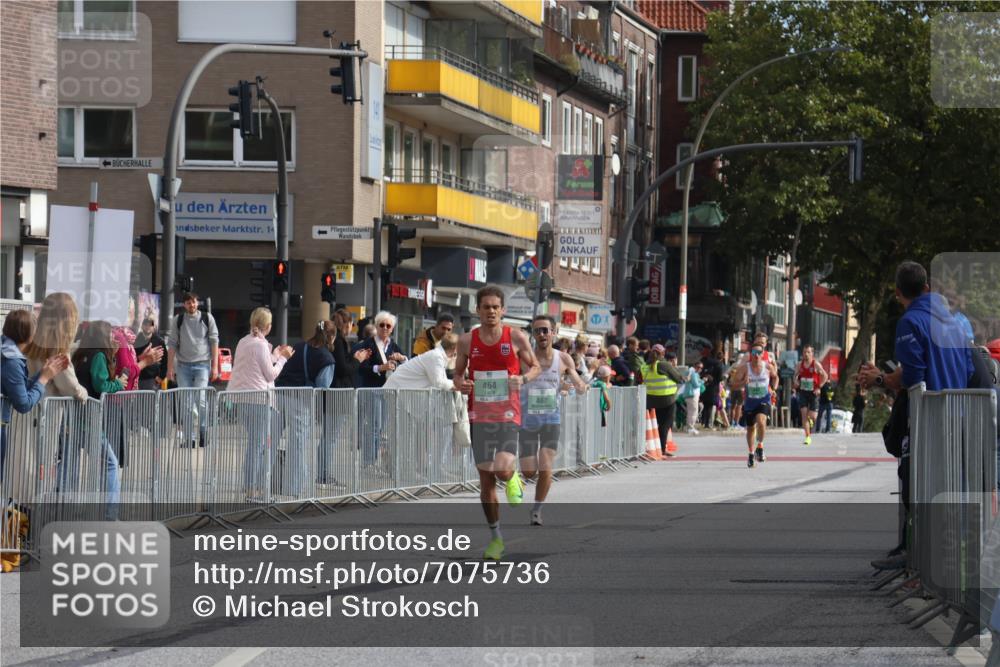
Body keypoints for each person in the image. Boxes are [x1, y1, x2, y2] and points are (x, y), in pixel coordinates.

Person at [858, 260, 975, 570]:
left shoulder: (911, 321)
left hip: (928, 419)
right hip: (961, 415)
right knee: (946, 488)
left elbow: (914, 377)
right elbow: (965, 367)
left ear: (898, 293)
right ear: (927, 287)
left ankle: (923, 559)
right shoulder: (954, 321)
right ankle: (940, 559)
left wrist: (880, 380)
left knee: (915, 484)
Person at [453, 285, 540, 561]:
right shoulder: (467, 341)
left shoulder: (515, 336)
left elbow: (536, 366)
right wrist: (461, 384)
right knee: (485, 479)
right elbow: (457, 374)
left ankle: (512, 476)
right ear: (477, 310)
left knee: (501, 469)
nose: (490, 311)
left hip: (507, 413)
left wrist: (523, 379)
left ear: (502, 310)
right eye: (485, 307)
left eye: (495, 307)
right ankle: (496, 539)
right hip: (479, 413)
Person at [518, 315, 587, 527]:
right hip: (527, 420)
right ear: (533, 334)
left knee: (546, 467)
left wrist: (578, 385)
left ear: (553, 332)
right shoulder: (525, 357)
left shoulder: (563, 359)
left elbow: (577, 382)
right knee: (529, 471)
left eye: (545, 330)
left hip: (551, 419)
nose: (541, 334)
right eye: (537, 331)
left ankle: (537, 510)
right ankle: (517, 479)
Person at [71, 320, 129, 518]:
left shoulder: (80, 354)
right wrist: (119, 383)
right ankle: (110, 516)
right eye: (110, 333)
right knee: (111, 463)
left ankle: (66, 513)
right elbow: (101, 385)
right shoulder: (98, 355)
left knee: (71, 465)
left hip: (76, 418)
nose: (113, 337)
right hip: (90, 420)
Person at [1, 310, 70, 475]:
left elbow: (17, 388)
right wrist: (44, 378)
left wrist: (44, 373)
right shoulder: (11, 360)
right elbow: (23, 404)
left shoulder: (6, 351)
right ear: (27, 333)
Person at [166, 292, 219, 446]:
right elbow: (172, 344)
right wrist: (170, 368)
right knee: (186, 402)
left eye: (194, 302)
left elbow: (214, 341)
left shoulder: (207, 318)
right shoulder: (179, 320)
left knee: (201, 399)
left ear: (198, 302)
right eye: (188, 303)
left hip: (202, 364)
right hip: (183, 365)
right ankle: (189, 438)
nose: (192, 305)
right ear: (184, 305)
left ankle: (202, 433)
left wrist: (215, 367)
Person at [728, 342, 778, 468]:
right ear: (751, 354)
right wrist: (743, 383)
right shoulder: (744, 368)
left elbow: (776, 377)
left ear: (763, 354)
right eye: (754, 353)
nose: (756, 355)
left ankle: (760, 446)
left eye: (759, 353)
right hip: (750, 402)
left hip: (764, 399)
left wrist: (773, 388)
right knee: (750, 429)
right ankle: (751, 453)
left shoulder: (767, 367)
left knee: (761, 421)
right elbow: (733, 385)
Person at [643, 346, 684, 456]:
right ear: (663, 353)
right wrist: (674, 367)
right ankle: (661, 449)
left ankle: (651, 448)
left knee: (651, 425)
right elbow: (680, 379)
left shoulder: (645, 366)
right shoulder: (664, 365)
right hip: (667, 400)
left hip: (650, 400)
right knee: (664, 425)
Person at [386, 332, 459, 390]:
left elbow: (441, 381)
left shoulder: (438, 355)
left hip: (398, 391)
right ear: (454, 348)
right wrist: (458, 385)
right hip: (394, 391)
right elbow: (438, 382)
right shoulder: (436, 356)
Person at [357, 311, 407, 388]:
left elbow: (407, 365)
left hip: (389, 390)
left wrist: (402, 358)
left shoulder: (393, 345)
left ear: (392, 329)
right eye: (382, 325)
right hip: (371, 390)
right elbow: (362, 368)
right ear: (376, 326)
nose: (385, 328)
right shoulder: (368, 344)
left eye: (388, 326)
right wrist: (381, 368)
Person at [794, 344, 829, 445]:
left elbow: (825, 376)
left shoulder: (816, 364)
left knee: (812, 417)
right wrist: (796, 381)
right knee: (804, 415)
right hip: (803, 392)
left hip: (814, 393)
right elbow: (795, 376)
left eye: (808, 352)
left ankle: (811, 421)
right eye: (804, 352)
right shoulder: (799, 365)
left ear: (812, 353)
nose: (806, 354)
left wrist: (819, 386)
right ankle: (808, 437)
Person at [331, 309, 371, 389]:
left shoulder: (334, 338)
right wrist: (358, 360)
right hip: (339, 392)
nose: (352, 328)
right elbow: (343, 369)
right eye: (353, 324)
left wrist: (354, 358)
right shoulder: (339, 341)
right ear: (348, 324)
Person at [133, 317, 167, 390]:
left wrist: (161, 377)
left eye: (150, 325)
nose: (148, 327)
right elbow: (132, 358)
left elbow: (165, 361)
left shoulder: (159, 341)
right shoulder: (135, 340)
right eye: (146, 324)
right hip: (138, 378)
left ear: (153, 327)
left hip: (153, 380)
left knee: (153, 401)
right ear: (142, 326)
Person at [700, 350, 724, 429]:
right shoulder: (719, 365)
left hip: (705, 386)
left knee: (705, 405)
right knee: (710, 406)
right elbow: (720, 378)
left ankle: (703, 422)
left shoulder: (706, 362)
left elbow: (701, 373)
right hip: (714, 387)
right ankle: (708, 424)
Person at [681, 360, 704, 434]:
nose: (700, 369)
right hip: (692, 395)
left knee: (690, 411)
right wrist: (703, 381)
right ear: (695, 366)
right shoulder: (693, 373)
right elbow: (696, 385)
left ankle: (689, 427)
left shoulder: (689, 371)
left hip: (688, 395)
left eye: (701, 368)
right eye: (699, 367)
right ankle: (690, 427)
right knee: (693, 411)